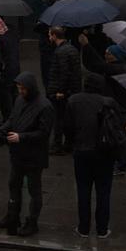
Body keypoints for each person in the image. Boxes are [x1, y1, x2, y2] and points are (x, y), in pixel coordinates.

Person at [0, 72, 53, 237]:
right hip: (18, 154)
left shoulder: (45, 106)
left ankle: (32, 222)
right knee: (13, 185)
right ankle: (12, 216)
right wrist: (3, 129)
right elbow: (13, 118)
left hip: (34, 157)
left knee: (34, 190)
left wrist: (21, 137)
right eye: (19, 88)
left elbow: (44, 133)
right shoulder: (20, 100)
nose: (20, 91)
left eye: (22, 89)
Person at [65, 74, 121, 239]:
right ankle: (102, 229)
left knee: (83, 190)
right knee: (104, 191)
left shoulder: (73, 101)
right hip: (104, 153)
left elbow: (67, 127)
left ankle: (83, 228)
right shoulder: (108, 102)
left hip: (82, 152)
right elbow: (117, 128)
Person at [47, 27, 82, 155]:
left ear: (55, 36)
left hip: (62, 91)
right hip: (73, 90)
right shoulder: (72, 49)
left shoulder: (60, 52)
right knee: (69, 119)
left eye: (50, 35)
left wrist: (61, 90)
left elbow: (64, 72)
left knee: (59, 119)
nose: (49, 37)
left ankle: (57, 145)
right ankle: (69, 144)